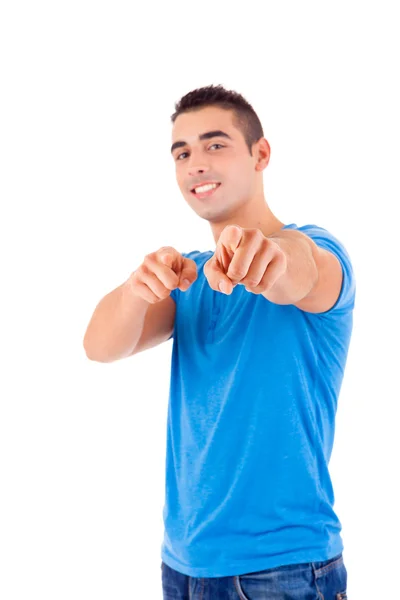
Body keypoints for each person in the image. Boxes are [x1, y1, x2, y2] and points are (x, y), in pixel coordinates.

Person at [83, 84, 354, 599]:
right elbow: (98, 345)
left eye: (215, 145)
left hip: (283, 572)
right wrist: (137, 289)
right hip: (183, 566)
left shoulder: (317, 248)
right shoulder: (189, 279)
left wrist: (267, 256)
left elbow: (298, 269)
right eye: (181, 152)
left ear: (261, 154)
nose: (195, 164)